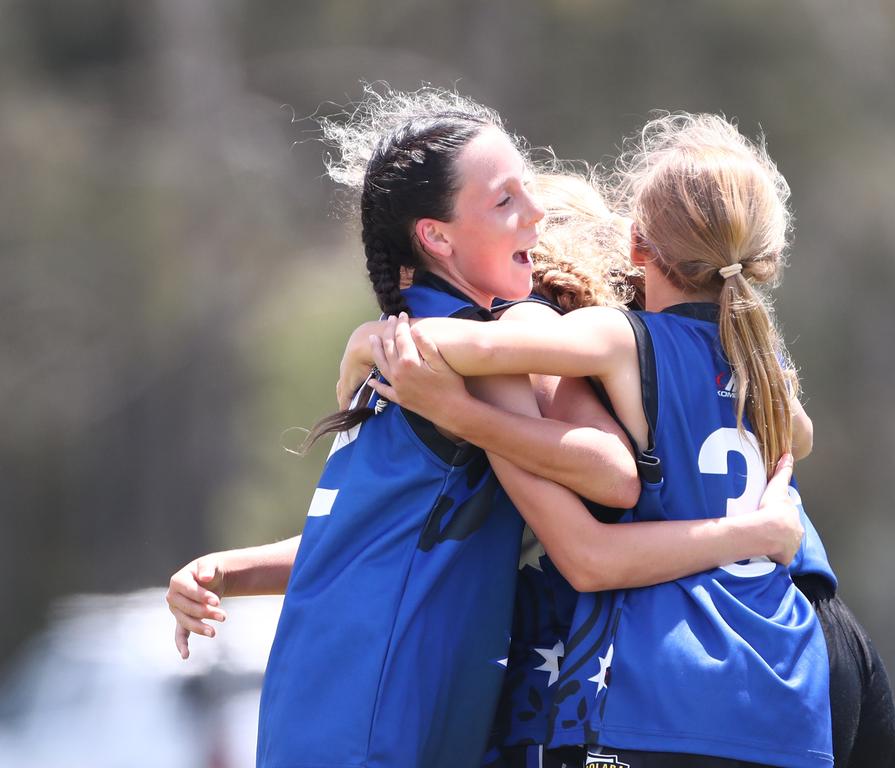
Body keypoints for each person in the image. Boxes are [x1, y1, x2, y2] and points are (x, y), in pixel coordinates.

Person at [166, 90, 806, 768]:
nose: (536, 214)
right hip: (373, 708)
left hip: (334, 703)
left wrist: (231, 571)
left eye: (527, 191)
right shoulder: (451, 347)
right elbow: (377, 536)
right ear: (437, 237)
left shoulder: (436, 347)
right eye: (505, 203)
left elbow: (594, 475)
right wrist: (230, 571)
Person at [359, 113, 837, 767]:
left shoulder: (620, 337)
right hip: (795, 681)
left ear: (637, 247)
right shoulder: (760, 354)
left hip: (678, 684)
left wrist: (373, 341)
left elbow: (480, 344)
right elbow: (798, 437)